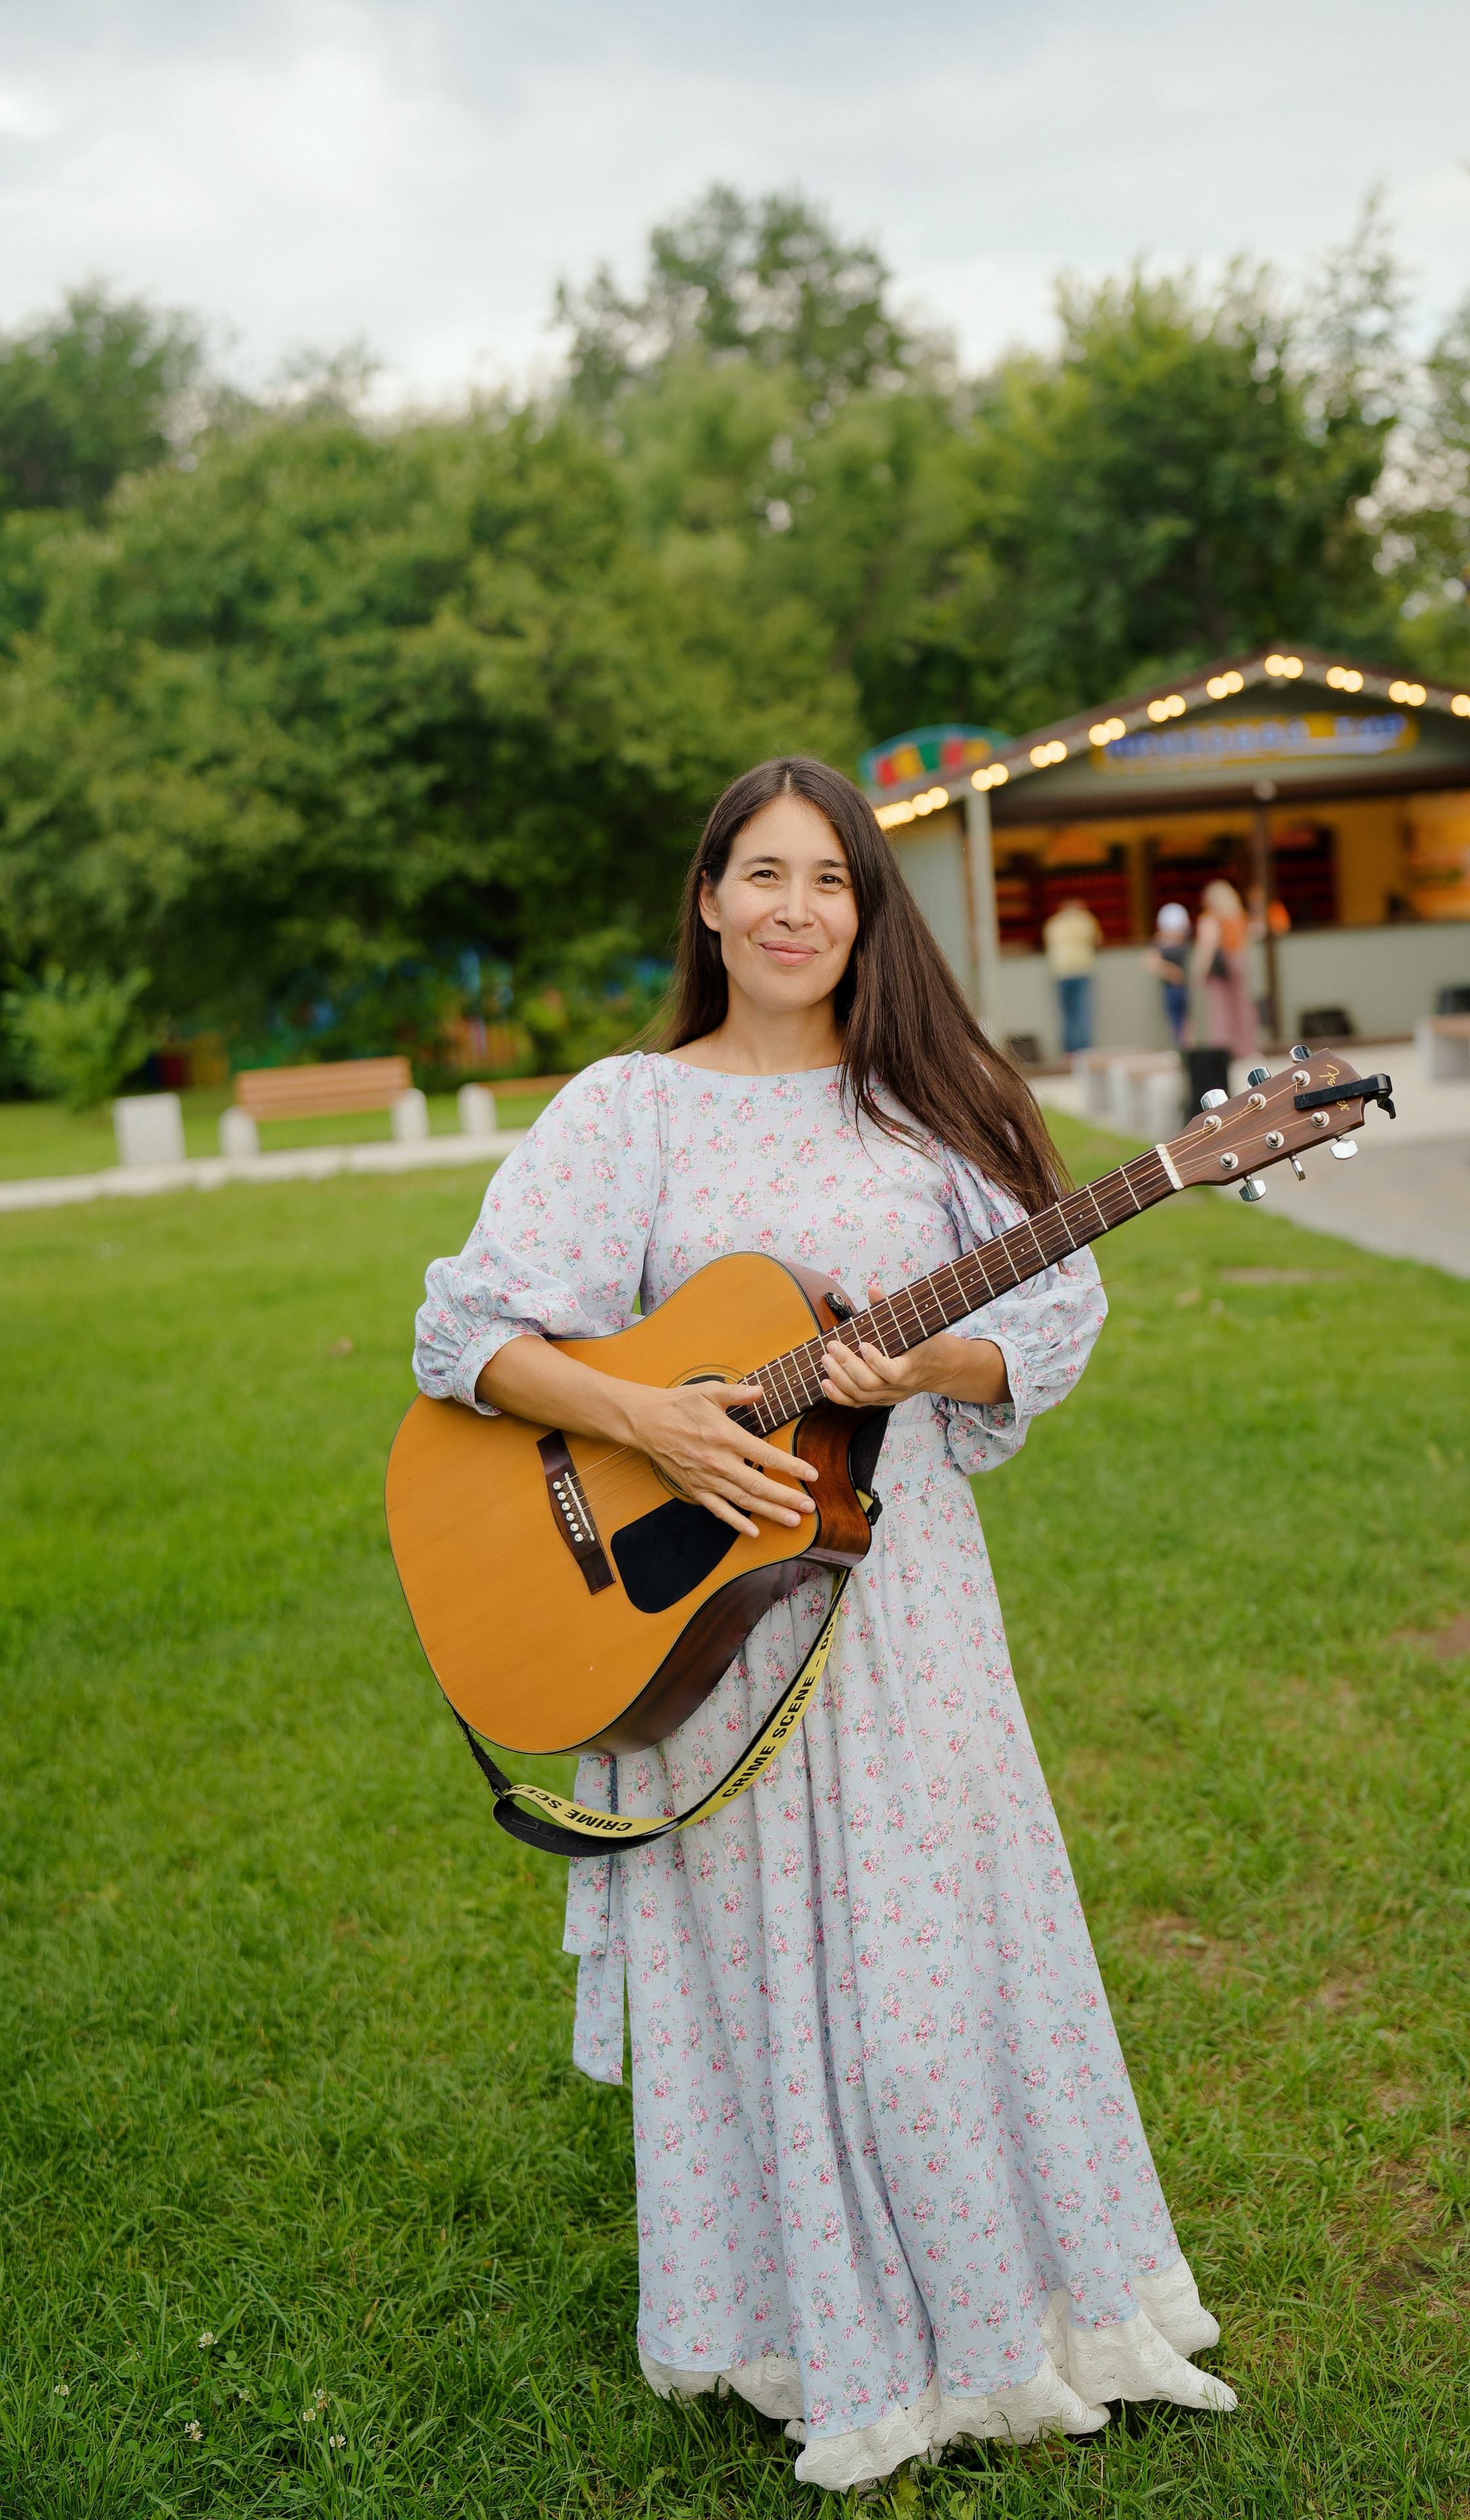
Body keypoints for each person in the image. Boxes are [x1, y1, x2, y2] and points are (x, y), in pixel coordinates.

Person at [412, 757, 1234, 2495]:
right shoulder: (627, 1108)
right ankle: (805, 2332)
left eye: (831, 882)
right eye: (761, 875)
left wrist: (928, 1360)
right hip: (698, 1621)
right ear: (708, 901)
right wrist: (648, 1420)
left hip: (906, 1596)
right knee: (756, 1970)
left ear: (869, 913)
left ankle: (1008, 2320)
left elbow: (1057, 1305)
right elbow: (469, 1332)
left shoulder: (929, 1107)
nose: (795, 909)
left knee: (940, 1970)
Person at [1194, 876, 1259, 1062]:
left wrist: (1200, 972)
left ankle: (1223, 1052)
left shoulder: (1210, 920)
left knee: (1220, 1010)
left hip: (1220, 968)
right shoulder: (1239, 917)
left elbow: (1207, 947)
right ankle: (1246, 1049)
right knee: (1242, 1007)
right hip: (1239, 962)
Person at [1042, 895, 1102, 1056]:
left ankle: (1069, 1051)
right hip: (1081, 970)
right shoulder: (1086, 920)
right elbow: (1097, 941)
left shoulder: (1054, 923)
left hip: (1061, 972)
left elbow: (1048, 945)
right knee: (1083, 1013)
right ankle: (1084, 1051)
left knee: (1067, 1015)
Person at [1141, 901, 1192, 1044]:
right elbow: (1149, 962)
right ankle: (1180, 1047)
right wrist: (1170, 971)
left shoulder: (1178, 941)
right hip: (1171, 988)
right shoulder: (1162, 942)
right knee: (1175, 1021)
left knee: (1185, 1021)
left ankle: (1185, 1048)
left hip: (1182, 987)